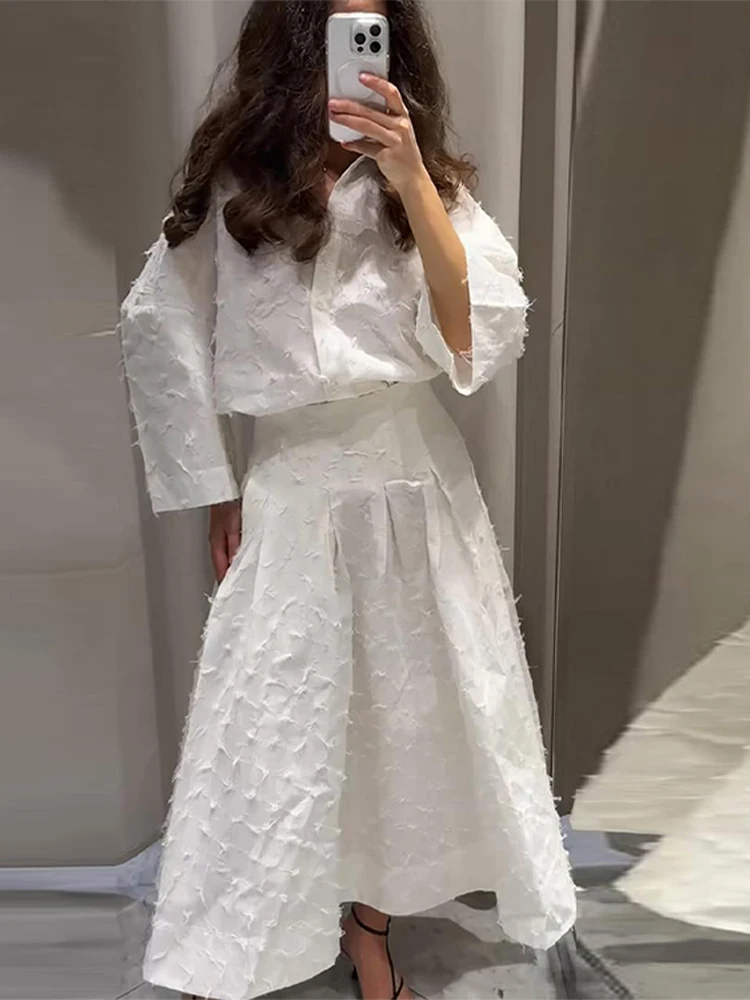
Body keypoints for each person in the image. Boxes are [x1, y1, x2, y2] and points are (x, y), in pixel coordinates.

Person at [118, 1, 576, 998]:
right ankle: (259, 933)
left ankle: (372, 931)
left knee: (402, 719)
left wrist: (410, 177)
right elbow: (160, 324)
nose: (361, 59)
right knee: (281, 719)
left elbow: (478, 331)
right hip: (292, 483)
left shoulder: (428, 182)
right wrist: (215, 485)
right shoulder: (237, 184)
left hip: (415, 483)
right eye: (339, 33)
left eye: (376, 36)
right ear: (297, 44)